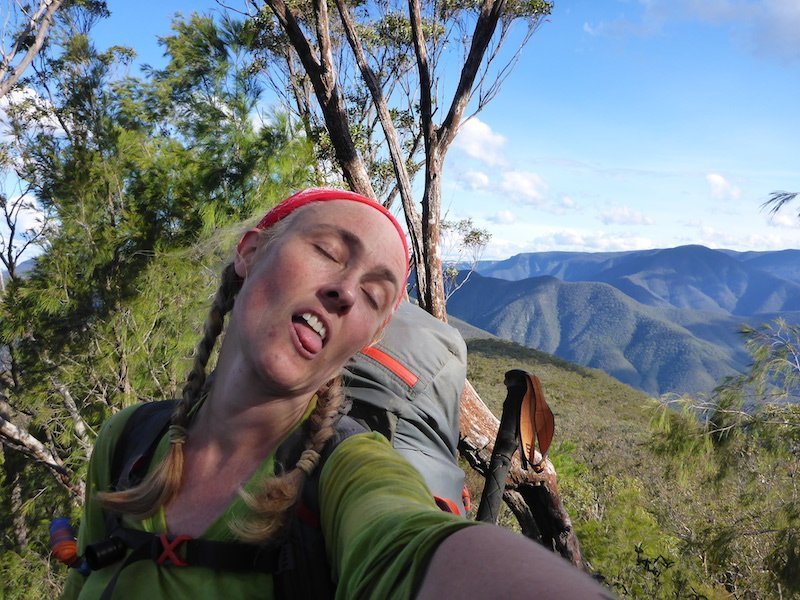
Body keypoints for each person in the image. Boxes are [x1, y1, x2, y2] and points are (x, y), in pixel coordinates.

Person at [62, 188, 613, 599]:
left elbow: (408, 540)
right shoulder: (128, 441)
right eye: (328, 250)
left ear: (367, 338)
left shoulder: (347, 470)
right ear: (250, 252)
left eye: (375, 295)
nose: (347, 291)